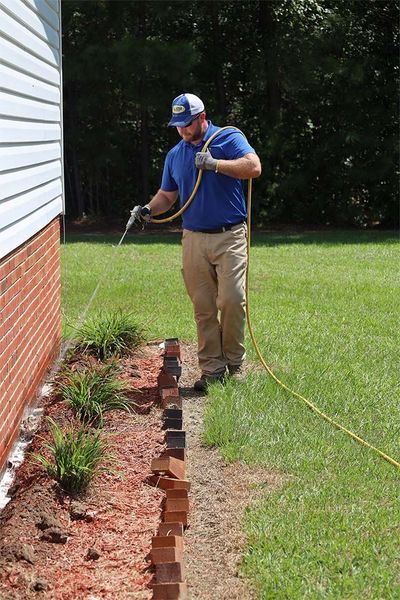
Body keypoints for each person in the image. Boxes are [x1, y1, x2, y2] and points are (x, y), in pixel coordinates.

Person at [130, 93, 261, 391]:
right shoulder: (175, 154)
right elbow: (167, 196)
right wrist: (148, 210)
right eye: (177, 126)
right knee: (202, 307)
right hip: (193, 239)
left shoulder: (227, 138)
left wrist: (216, 164)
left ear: (202, 118)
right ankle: (212, 371)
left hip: (230, 235)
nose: (183, 131)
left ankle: (235, 363)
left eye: (187, 124)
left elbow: (253, 167)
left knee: (231, 300)